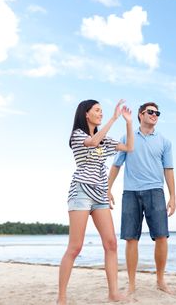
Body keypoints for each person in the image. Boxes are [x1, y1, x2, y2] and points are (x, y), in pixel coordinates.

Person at [58, 99, 134, 305]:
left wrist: (127, 122)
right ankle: (62, 298)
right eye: (97, 111)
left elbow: (129, 147)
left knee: (111, 243)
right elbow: (92, 142)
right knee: (75, 247)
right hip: (81, 191)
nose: (101, 113)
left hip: (100, 194)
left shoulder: (106, 139)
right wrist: (113, 118)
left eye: (102, 111)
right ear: (86, 114)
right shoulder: (77, 135)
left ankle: (113, 293)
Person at [108, 102, 176, 295]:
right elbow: (116, 165)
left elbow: (169, 170)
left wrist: (173, 197)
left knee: (162, 237)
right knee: (131, 238)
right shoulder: (127, 138)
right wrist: (108, 188)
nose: (155, 115)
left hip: (156, 191)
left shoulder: (164, 142)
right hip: (130, 192)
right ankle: (131, 283)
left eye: (157, 113)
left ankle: (160, 280)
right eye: (151, 112)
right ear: (140, 115)